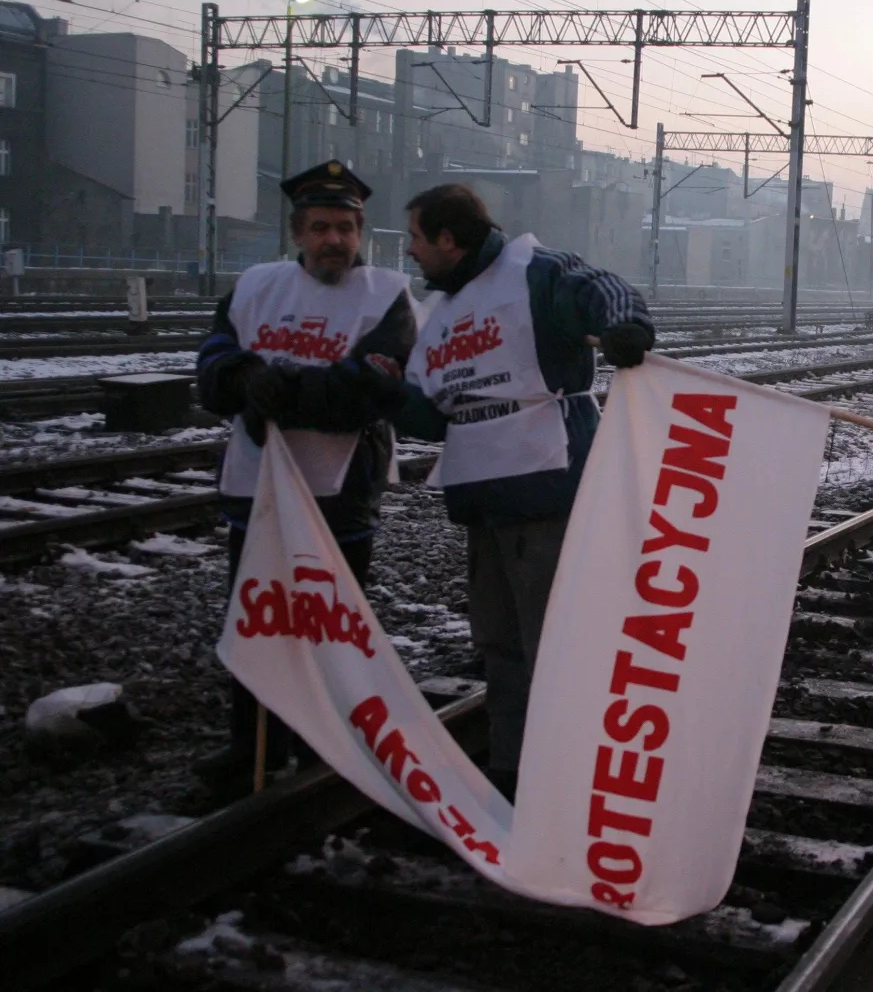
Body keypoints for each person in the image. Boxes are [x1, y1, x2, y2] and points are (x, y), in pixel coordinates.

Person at [393, 183, 653, 801]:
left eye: (416, 238)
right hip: (484, 498)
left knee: (554, 644)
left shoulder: (533, 272)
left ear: (449, 241)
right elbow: (430, 415)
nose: (409, 251)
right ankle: (513, 772)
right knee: (500, 646)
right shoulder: (444, 311)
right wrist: (373, 393)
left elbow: (604, 289)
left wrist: (626, 328)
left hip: (547, 488)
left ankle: (567, 779)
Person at [193, 160, 417, 793]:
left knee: (334, 622)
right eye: (321, 227)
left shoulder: (386, 294)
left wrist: (281, 386)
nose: (335, 241)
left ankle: (334, 740)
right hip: (255, 484)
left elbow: (373, 384)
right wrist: (241, 378)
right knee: (256, 617)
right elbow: (212, 363)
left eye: (346, 228)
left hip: (341, 489)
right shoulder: (253, 288)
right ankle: (251, 744)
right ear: (297, 233)